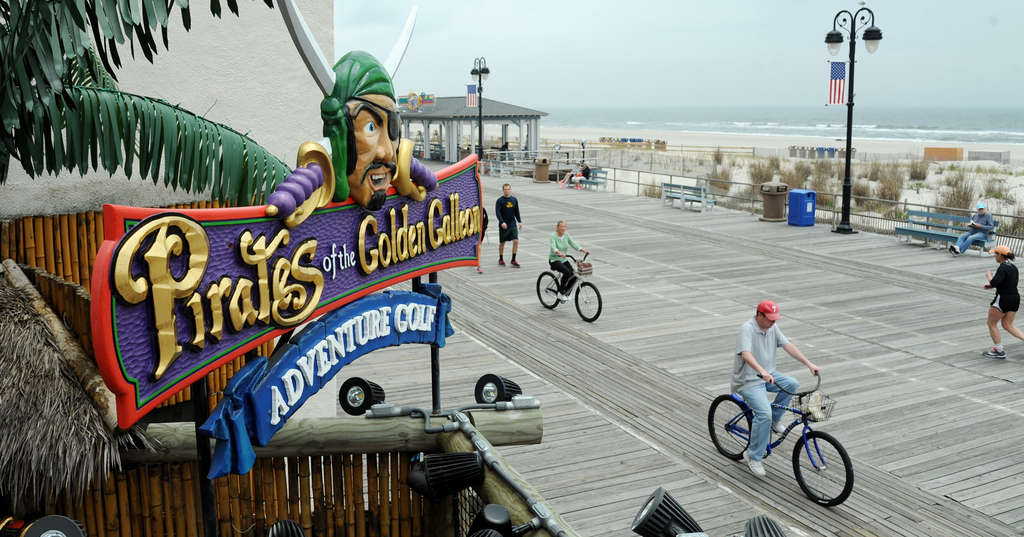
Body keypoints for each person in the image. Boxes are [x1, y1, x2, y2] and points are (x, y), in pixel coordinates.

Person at [732, 300, 821, 478]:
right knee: (763, 414)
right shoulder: (747, 328)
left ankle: (774, 420)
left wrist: (808, 363)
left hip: (768, 375)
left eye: (775, 319)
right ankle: (753, 456)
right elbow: (746, 354)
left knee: (791, 383)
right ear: (760, 315)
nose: (774, 321)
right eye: (770, 318)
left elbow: (788, 346)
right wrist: (762, 371)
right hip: (749, 381)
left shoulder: (772, 328)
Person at [982, 245, 1023, 358]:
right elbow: (1007, 283)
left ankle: (999, 351)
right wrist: (991, 286)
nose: (994, 256)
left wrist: (989, 276)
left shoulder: (1002, 268)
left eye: (995, 254)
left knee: (991, 323)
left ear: (1000, 255)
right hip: (1015, 298)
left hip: (1003, 299)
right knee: (1007, 325)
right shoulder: (1013, 267)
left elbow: (994, 282)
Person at [548, 221, 589, 302]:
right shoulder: (553, 236)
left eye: (564, 226)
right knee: (567, 272)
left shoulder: (566, 235)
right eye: (561, 226)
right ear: (557, 227)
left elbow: (573, 243)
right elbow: (553, 247)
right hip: (554, 260)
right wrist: (559, 252)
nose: (563, 228)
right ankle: (560, 293)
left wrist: (582, 250)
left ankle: (565, 293)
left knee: (574, 275)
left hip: (564, 259)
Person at [496, 183, 523, 267]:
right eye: (505, 189)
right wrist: (502, 222)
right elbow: (498, 213)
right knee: (502, 242)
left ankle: (513, 259)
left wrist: (519, 221)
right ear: (503, 190)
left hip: (512, 223)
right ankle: (501, 258)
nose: (506, 191)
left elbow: (516, 211)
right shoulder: (500, 201)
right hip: (504, 224)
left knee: (516, 241)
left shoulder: (514, 199)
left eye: (508, 189)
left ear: (510, 190)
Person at [477, 207, 489, 274]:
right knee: (477, 247)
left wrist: (484, 227)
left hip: (481, 231)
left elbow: (486, 219)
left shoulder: (483, 209)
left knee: (479, 247)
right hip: (473, 232)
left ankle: (478, 265)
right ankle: (477, 264)